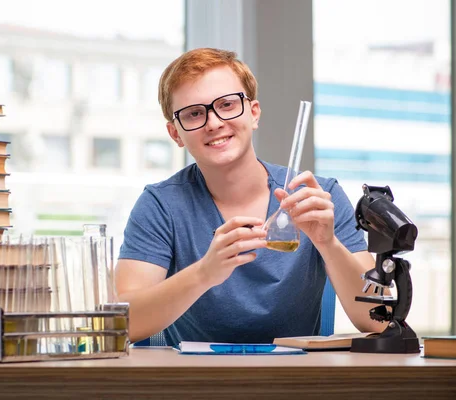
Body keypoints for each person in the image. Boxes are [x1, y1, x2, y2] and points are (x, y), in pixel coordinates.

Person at [115, 47, 383, 345]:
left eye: (227, 105)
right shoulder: (161, 205)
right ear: (175, 133)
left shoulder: (318, 197)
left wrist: (328, 244)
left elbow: (377, 318)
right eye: (194, 113)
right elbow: (123, 324)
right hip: (196, 383)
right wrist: (205, 272)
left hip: (300, 382)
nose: (214, 122)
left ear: (253, 113)